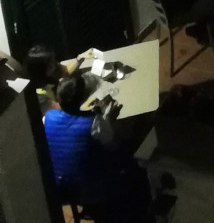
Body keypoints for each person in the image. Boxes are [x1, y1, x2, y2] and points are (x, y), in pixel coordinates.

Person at [44, 72, 154, 220]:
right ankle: (143, 209)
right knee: (135, 154)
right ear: (85, 101)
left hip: (60, 188)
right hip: (92, 191)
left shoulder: (48, 117)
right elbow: (116, 149)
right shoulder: (95, 123)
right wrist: (109, 120)